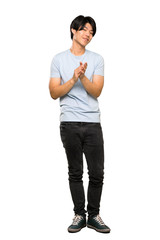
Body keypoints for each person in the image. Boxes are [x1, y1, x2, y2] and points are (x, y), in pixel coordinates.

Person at [49, 15, 110, 234]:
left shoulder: (97, 59)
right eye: (85, 29)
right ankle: (79, 215)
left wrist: (83, 77)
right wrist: (74, 77)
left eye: (92, 32)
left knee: (97, 173)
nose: (88, 34)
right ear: (74, 30)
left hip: (93, 123)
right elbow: (54, 93)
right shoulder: (58, 59)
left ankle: (93, 216)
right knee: (75, 172)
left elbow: (97, 91)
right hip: (69, 123)